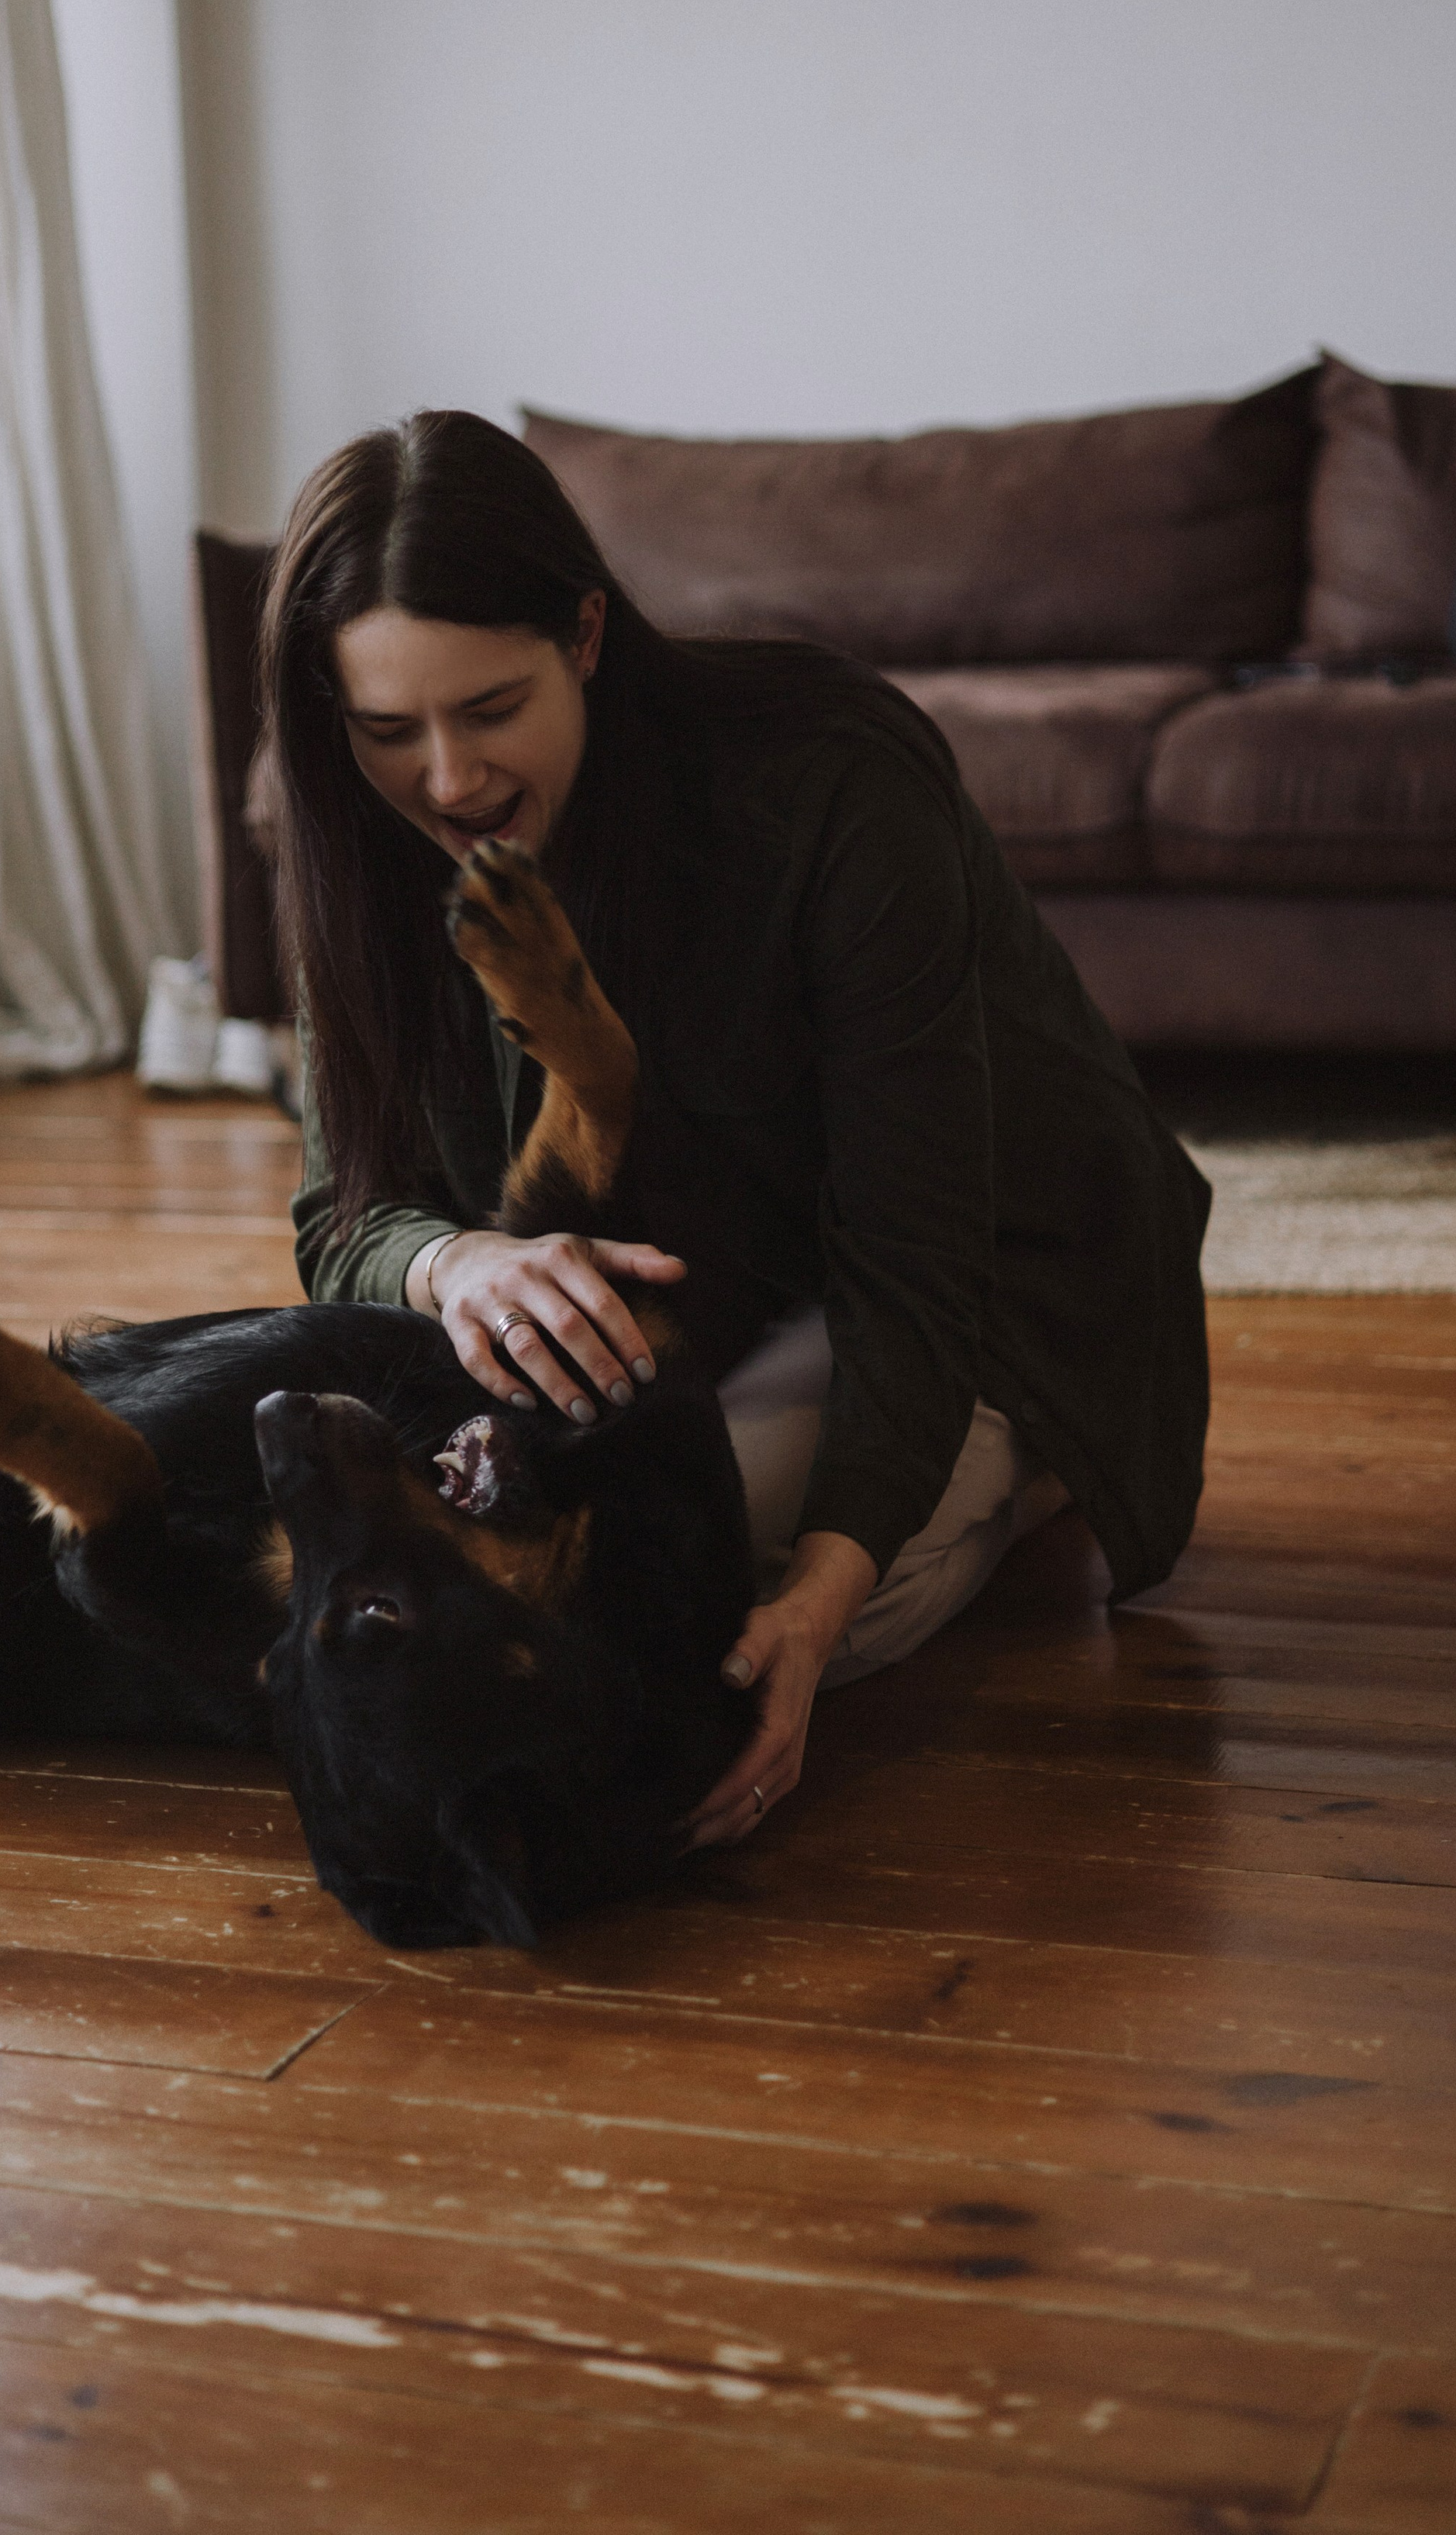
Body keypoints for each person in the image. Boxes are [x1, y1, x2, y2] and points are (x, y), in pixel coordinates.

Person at [261, 410, 1210, 1851]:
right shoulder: (353, 837)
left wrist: (827, 1606)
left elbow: (915, 1236)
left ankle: (1039, 1463)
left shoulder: (829, 777)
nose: (446, 782)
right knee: (447, 1547)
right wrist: (455, 1264)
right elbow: (346, 1224)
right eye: (390, 731)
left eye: (493, 708)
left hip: (980, 1278)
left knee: (692, 1593)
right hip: (705, 1295)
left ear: (585, 635)